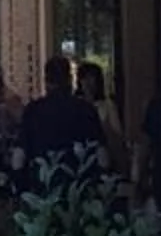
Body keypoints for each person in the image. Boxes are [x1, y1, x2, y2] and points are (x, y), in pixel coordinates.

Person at [19, 54, 106, 185]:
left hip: (42, 187)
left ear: (46, 81)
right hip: (78, 187)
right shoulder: (86, 110)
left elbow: (19, 156)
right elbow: (102, 156)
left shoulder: (32, 111)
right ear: (70, 80)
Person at [79, 59, 129, 181]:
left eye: (92, 78)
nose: (88, 82)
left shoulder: (107, 105)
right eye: (84, 78)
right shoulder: (76, 105)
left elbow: (117, 135)